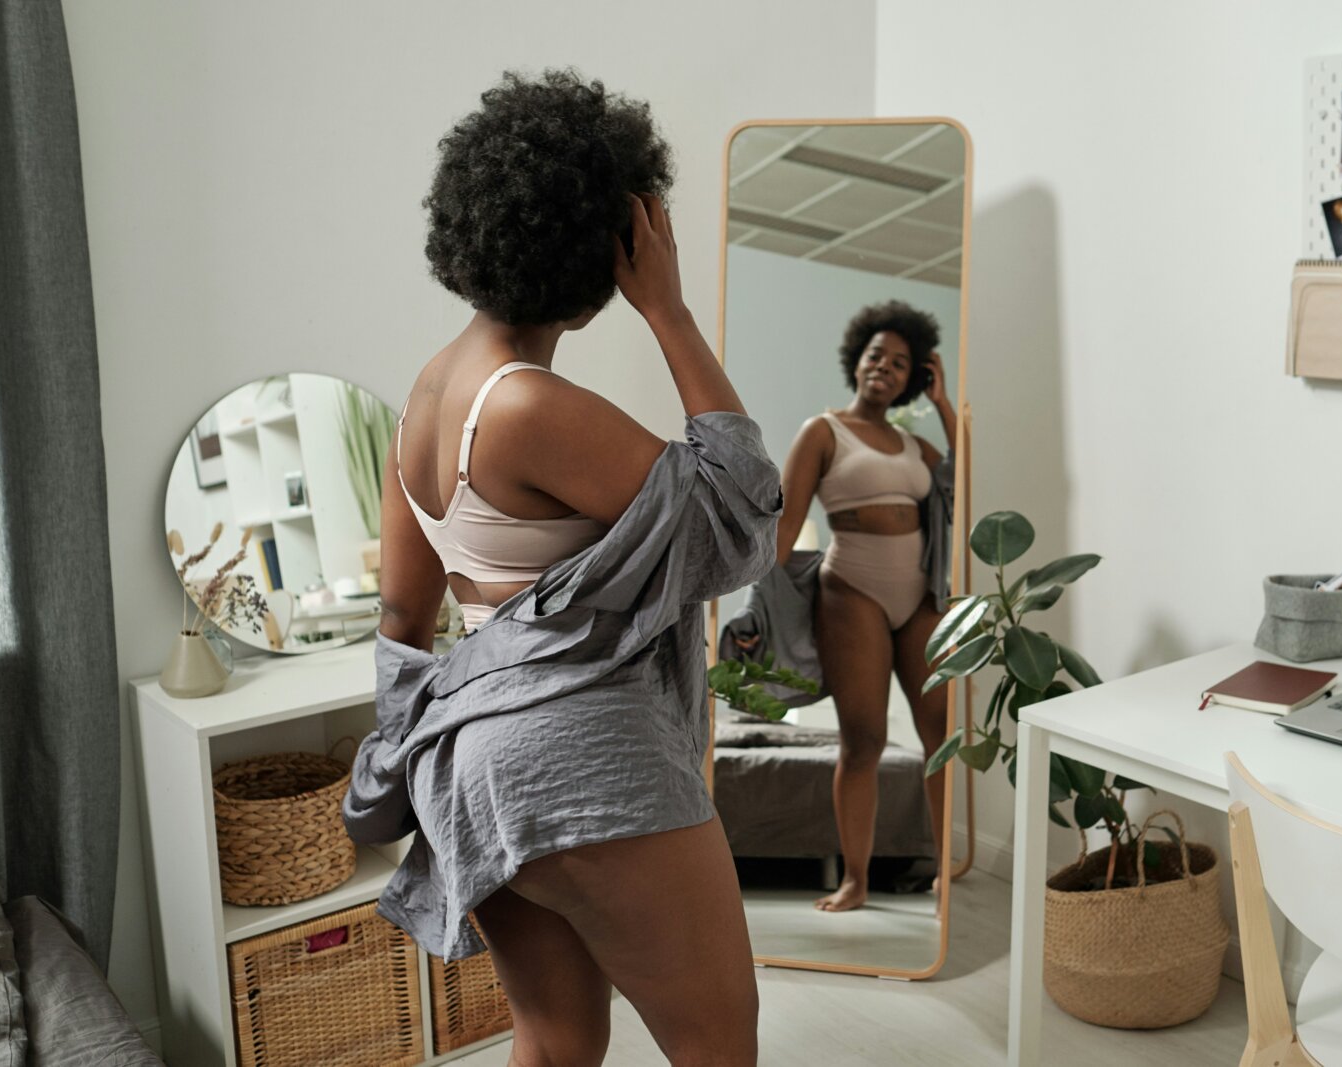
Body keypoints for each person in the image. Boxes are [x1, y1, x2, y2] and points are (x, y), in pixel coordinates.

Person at [344, 70, 778, 1066]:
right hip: (586, 758)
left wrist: (409, 760)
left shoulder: (421, 405)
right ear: (600, 258)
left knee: (555, 1037)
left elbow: (404, 619)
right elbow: (741, 518)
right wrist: (667, 311)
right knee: (718, 1042)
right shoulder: (529, 405)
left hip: (475, 766)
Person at [774, 300, 957, 912]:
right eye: (877, 355)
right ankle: (855, 878)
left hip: (920, 596)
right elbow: (786, 526)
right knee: (864, 740)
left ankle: (947, 868)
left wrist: (944, 406)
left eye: (901, 363)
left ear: (913, 378)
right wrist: (757, 606)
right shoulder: (823, 431)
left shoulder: (916, 445)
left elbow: (969, 484)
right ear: (857, 360)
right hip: (851, 592)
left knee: (942, 735)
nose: (885, 366)